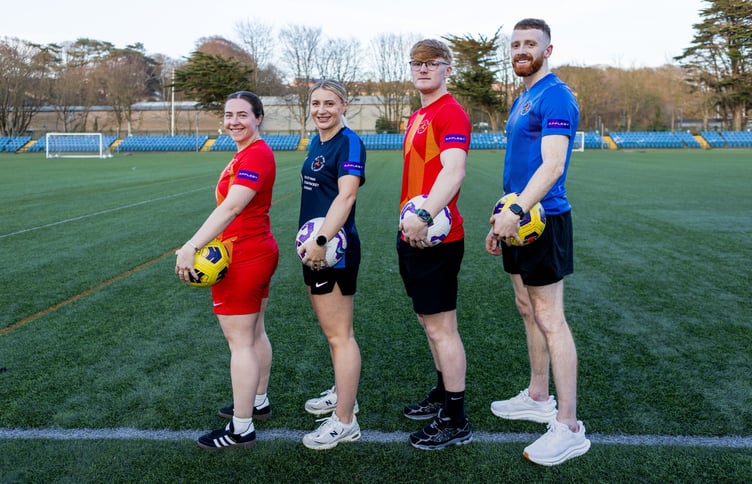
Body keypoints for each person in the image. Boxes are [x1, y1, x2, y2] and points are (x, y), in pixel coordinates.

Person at [485, 18, 591, 466]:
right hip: (516, 218)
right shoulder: (523, 97)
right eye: (516, 44)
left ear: (549, 50)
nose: (521, 50)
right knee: (527, 309)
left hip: (543, 219)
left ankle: (568, 426)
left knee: (551, 317)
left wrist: (515, 212)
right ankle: (537, 394)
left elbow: (551, 167)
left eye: (531, 43)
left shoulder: (556, 97)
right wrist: (501, 219)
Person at [175, 91, 278, 450]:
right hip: (253, 249)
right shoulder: (246, 153)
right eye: (229, 114)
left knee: (241, 343)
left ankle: (242, 427)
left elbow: (233, 207)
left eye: (243, 115)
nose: (234, 121)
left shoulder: (258, 154)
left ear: (258, 118)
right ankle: (258, 401)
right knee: (254, 333)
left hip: (244, 256)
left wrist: (191, 246)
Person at [398, 39, 473, 450]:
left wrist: (425, 214)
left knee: (443, 329)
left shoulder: (450, 113)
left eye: (432, 63)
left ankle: (456, 419)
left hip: (435, 236)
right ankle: (444, 395)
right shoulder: (419, 114)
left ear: (448, 69)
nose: (423, 69)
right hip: (412, 233)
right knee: (430, 324)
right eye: (417, 63)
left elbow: (455, 169)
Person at [296, 79, 366, 450]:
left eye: (330, 103)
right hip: (314, 248)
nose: (322, 109)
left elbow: (347, 195)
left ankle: (345, 419)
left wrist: (322, 240)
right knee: (332, 332)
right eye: (316, 103)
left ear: (344, 105)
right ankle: (342, 392)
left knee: (341, 335)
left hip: (332, 251)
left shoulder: (349, 142)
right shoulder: (316, 141)